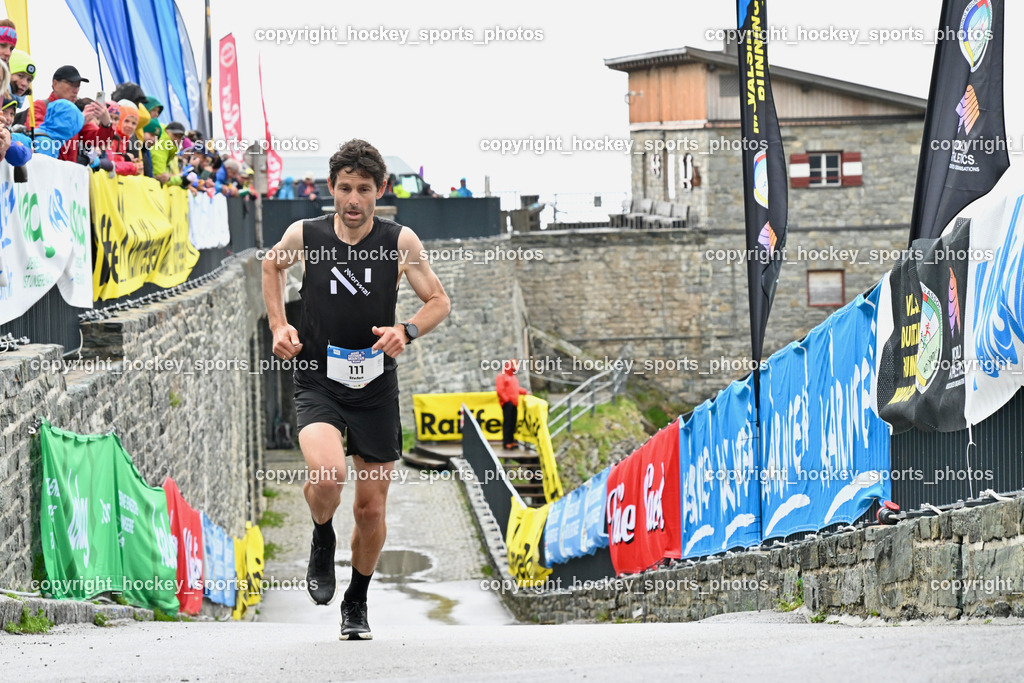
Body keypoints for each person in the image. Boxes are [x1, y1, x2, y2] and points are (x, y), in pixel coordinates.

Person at [261, 139, 450, 640]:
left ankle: (357, 600)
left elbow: (438, 300)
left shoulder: (399, 241)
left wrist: (405, 331)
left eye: (363, 189)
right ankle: (322, 536)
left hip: (374, 385)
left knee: (370, 509)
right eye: (344, 188)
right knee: (327, 476)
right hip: (319, 376)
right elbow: (270, 266)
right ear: (331, 189)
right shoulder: (307, 234)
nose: (352, 199)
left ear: (379, 191)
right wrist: (280, 326)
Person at [32, 65, 115, 163]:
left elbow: (101, 141)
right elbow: (36, 138)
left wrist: (106, 123)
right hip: (46, 170)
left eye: (78, 86)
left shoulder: (75, 114)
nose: (75, 90)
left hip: (68, 174)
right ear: (55, 84)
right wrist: (77, 122)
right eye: (71, 84)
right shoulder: (40, 106)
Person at [496, 360, 528, 449]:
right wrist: (506, 401)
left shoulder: (513, 377)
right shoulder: (501, 376)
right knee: (507, 423)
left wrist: (525, 392)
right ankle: (506, 442)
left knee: (513, 423)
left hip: (514, 403)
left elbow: (516, 389)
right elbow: (500, 390)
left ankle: (511, 440)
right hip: (507, 404)